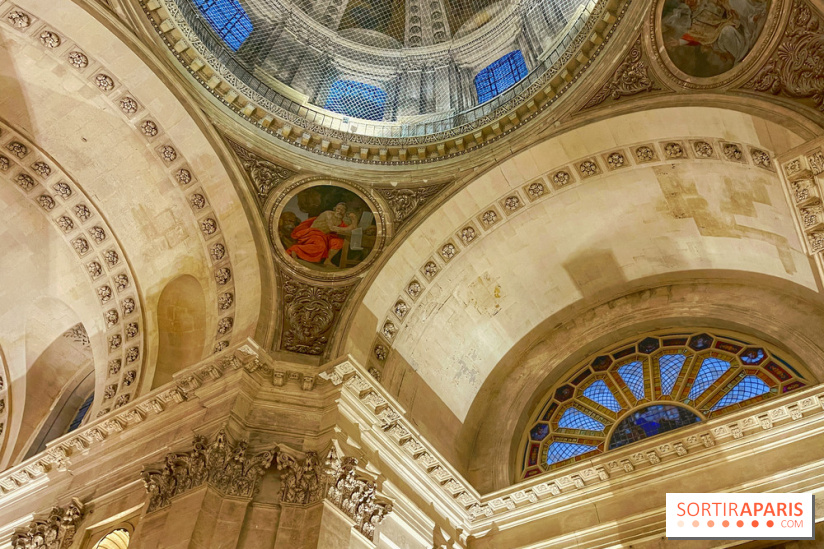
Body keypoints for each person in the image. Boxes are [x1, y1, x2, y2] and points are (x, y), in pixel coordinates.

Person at [286, 203, 358, 267]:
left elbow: (352, 229)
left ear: (345, 212)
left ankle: (327, 261)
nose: (340, 211)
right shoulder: (328, 214)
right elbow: (332, 228)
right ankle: (295, 249)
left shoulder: (339, 220)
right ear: (335, 209)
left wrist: (354, 220)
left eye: (342, 210)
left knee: (338, 242)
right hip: (313, 233)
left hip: (324, 236)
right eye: (338, 208)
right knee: (320, 246)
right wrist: (349, 227)